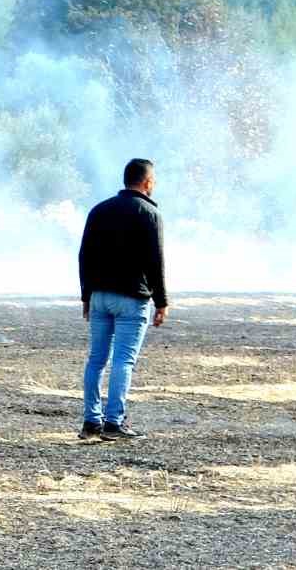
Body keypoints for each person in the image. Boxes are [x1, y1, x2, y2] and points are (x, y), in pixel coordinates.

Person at [77, 158, 169, 441]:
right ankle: (114, 422)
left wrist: (86, 296)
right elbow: (156, 261)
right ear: (147, 182)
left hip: (100, 296)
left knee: (96, 360)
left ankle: (91, 421)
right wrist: (162, 301)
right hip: (132, 298)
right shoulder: (150, 213)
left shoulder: (99, 210)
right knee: (123, 361)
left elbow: (84, 256)